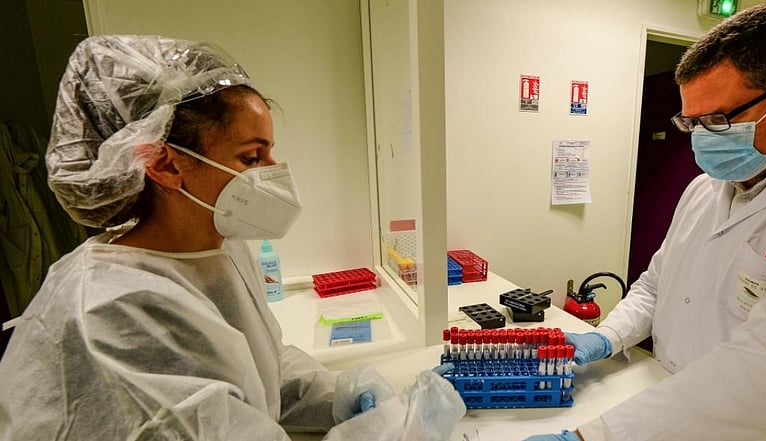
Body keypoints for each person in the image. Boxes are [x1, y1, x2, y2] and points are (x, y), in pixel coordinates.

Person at [0, 35, 464, 441]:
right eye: (251, 157)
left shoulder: (217, 253)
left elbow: (261, 366)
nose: (273, 174)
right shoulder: (111, 315)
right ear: (164, 164)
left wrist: (344, 393)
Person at [527, 3, 766, 441]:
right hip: (668, 407)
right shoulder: (705, 189)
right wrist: (608, 337)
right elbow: (655, 286)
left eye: (720, 119)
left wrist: (595, 438)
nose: (702, 138)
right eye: (692, 121)